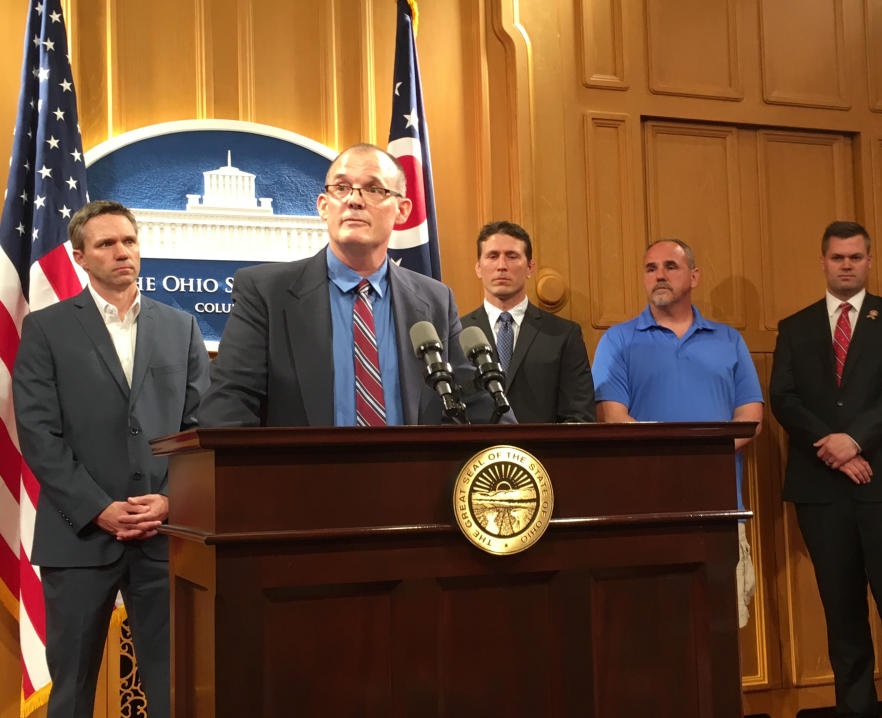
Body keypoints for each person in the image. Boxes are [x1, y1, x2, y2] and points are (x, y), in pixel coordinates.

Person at [12, 200, 210, 718]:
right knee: (72, 694)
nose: (122, 252)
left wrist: (170, 500)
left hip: (165, 536)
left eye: (129, 241)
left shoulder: (180, 327)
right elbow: (38, 434)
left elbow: (198, 429)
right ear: (80, 256)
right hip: (78, 538)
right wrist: (99, 507)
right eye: (106, 244)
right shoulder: (46, 329)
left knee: (175, 690)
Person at [199, 143, 503, 427]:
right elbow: (227, 407)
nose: (354, 199)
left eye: (373, 188)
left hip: (411, 480)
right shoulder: (266, 293)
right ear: (323, 206)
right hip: (300, 481)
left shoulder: (434, 300)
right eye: (342, 187)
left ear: (402, 210)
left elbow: (480, 406)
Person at [770, 221, 882, 718]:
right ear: (822, 261)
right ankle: (855, 709)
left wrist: (855, 440)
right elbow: (784, 397)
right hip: (823, 489)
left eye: (855, 257)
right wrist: (834, 448)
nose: (846, 265)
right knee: (842, 612)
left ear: (869, 260)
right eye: (837, 257)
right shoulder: (794, 327)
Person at [591, 238, 764, 628]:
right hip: (644, 511)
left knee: (720, 631)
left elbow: (751, 417)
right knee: (650, 629)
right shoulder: (618, 340)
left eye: (671, 266)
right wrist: (685, 458)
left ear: (694, 276)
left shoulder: (728, 339)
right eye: (651, 268)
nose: (660, 276)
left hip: (719, 509)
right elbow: (613, 418)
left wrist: (696, 459)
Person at [460, 221, 594, 423]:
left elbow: (579, 415)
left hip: (543, 453)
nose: (502, 266)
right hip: (475, 453)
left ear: (530, 267)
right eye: (493, 256)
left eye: (512, 256)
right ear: (479, 267)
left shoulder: (563, 334)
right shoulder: (458, 333)